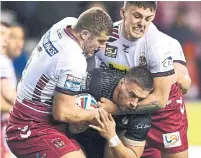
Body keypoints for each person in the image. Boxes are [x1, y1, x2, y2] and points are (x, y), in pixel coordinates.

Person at [6, 8, 113, 158]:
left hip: (23, 113)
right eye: (100, 41)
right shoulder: (74, 59)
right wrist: (95, 114)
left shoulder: (66, 23)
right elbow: (62, 112)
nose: (102, 46)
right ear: (85, 34)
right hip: (31, 127)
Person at [93, 1, 191, 158]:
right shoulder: (105, 36)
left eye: (148, 18)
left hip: (163, 109)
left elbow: (160, 99)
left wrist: (116, 109)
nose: (142, 24)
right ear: (123, 12)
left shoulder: (158, 44)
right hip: (126, 100)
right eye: (137, 16)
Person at [72, 66, 154, 158]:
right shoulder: (95, 82)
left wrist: (111, 136)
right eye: (132, 95)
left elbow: (133, 156)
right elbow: (61, 113)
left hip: (111, 141)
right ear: (121, 83)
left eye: (141, 99)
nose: (134, 104)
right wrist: (84, 118)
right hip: (79, 136)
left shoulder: (142, 115)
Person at [0, 21, 18, 158]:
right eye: (2, 34)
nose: (6, 38)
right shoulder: (3, 61)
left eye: (8, 35)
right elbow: (9, 95)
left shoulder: (5, 61)